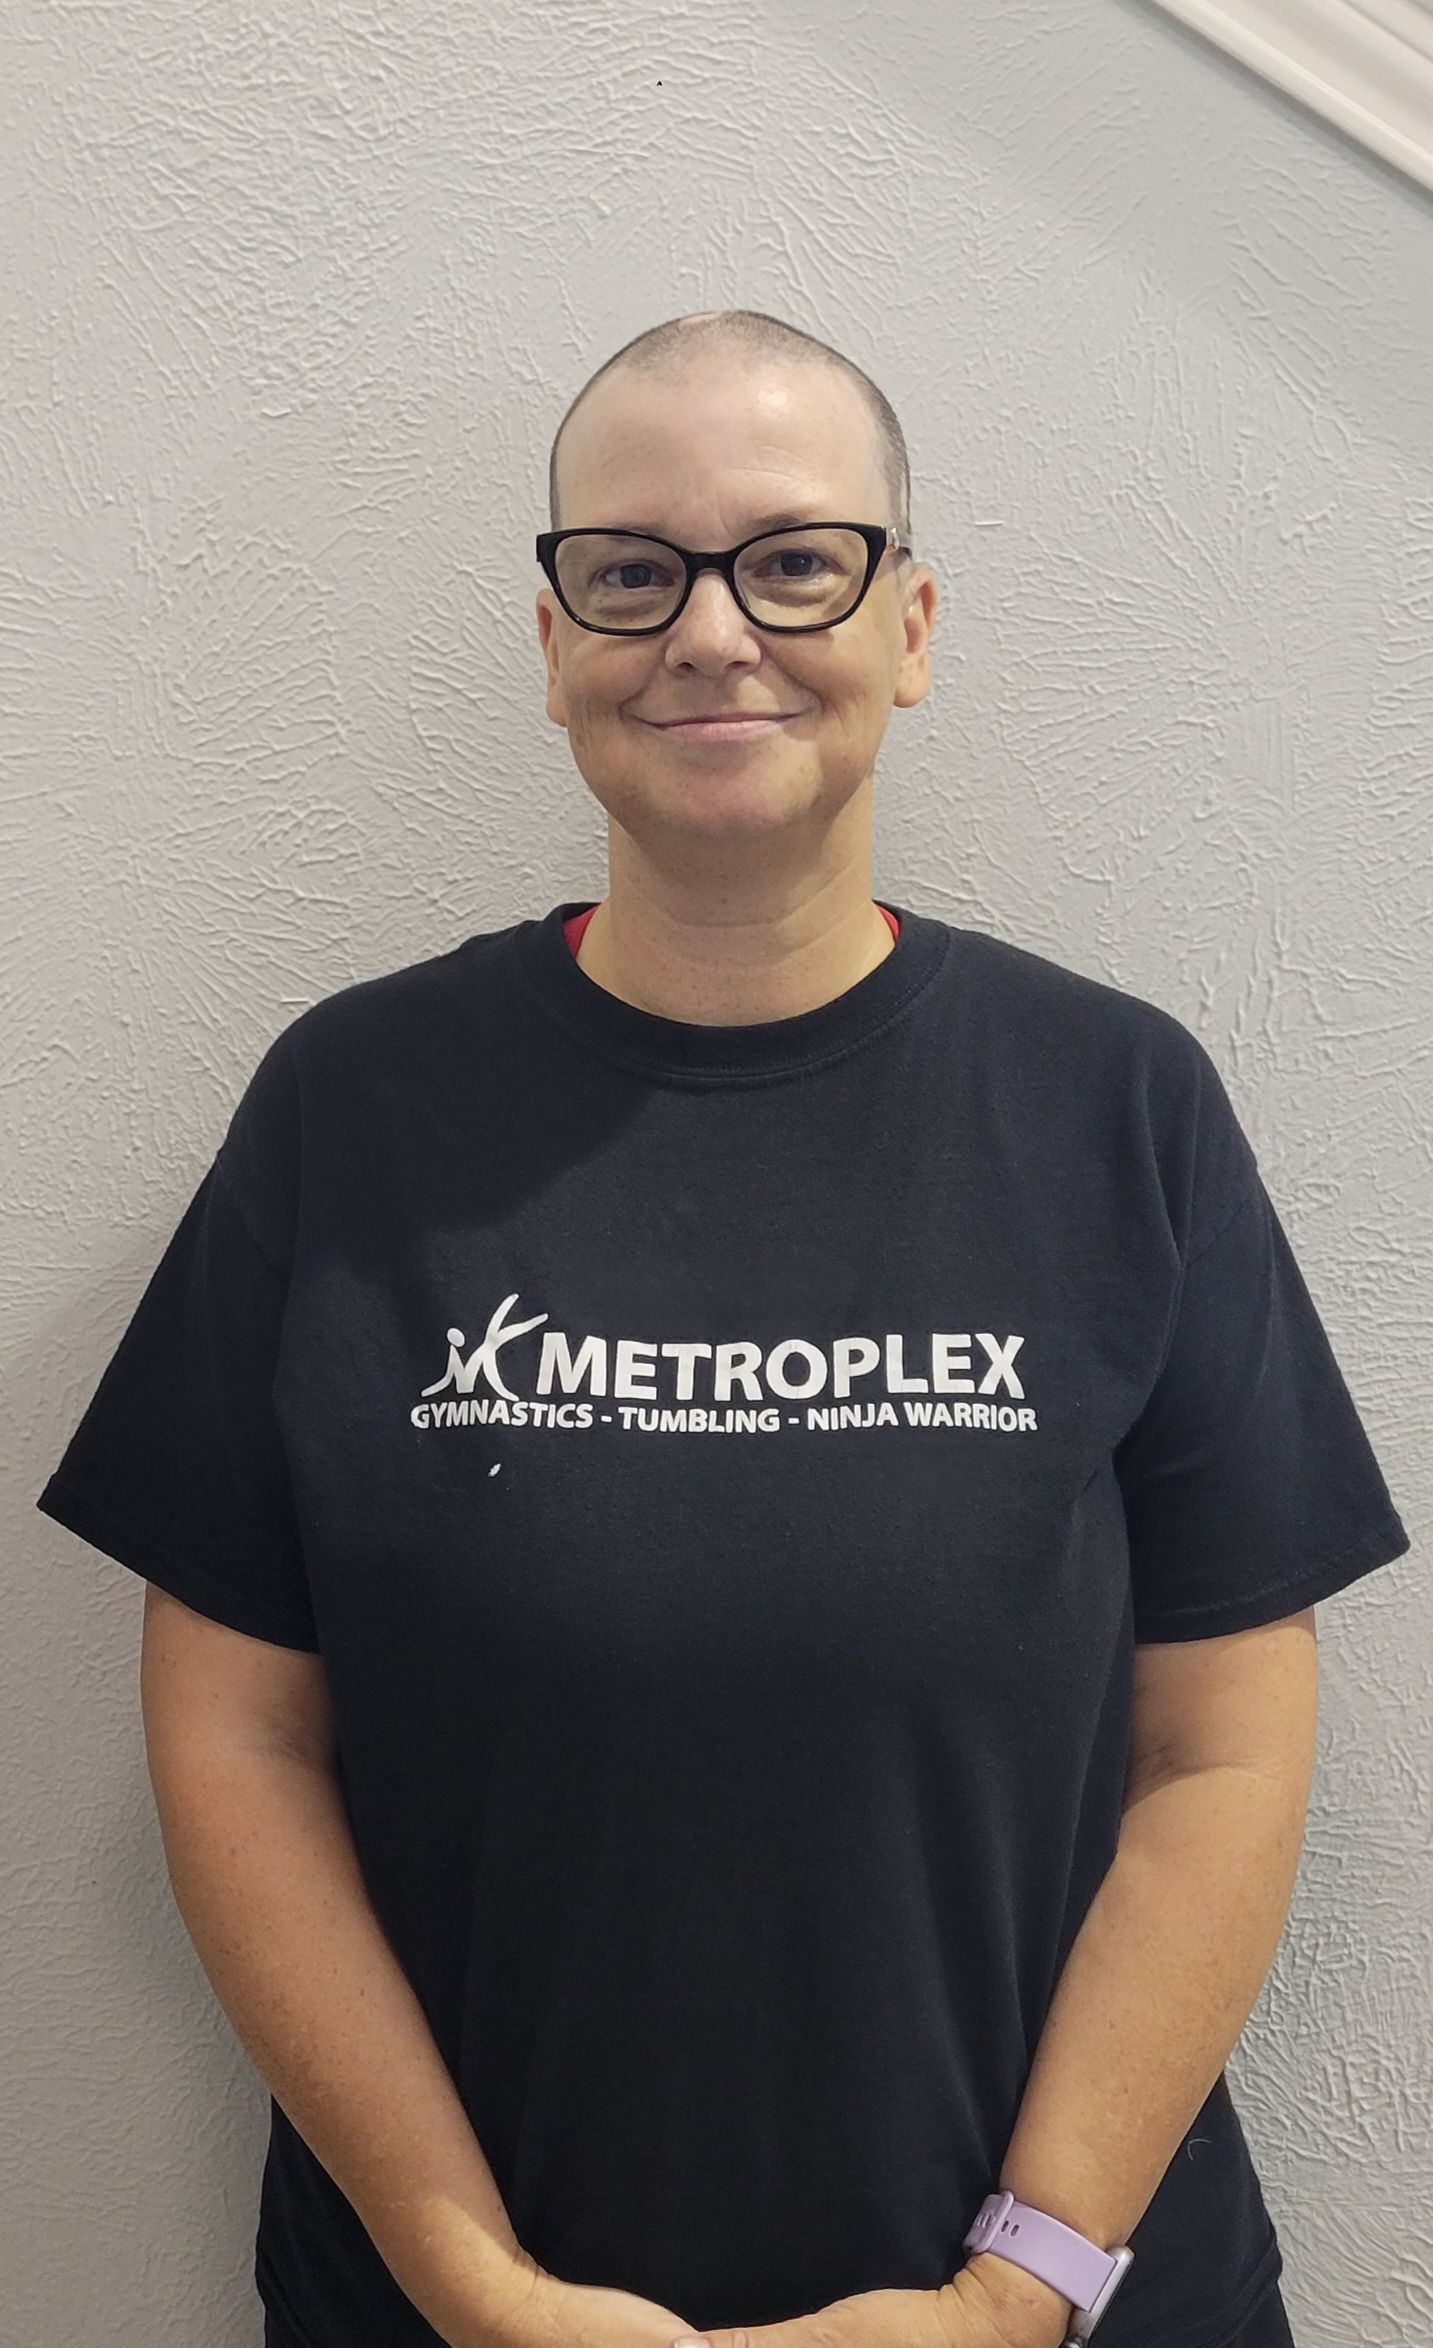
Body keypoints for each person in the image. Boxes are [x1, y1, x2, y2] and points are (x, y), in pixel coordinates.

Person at [35, 308, 1407, 2348]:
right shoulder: (354, 1107)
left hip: (1056, 2306)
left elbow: (1218, 1746)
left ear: (910, 624)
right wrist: (475, 2291)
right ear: (553, 642)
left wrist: (1009, 2296)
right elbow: (239, 1736)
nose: (709, 630)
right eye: (630, 571)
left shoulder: (1115, 1104)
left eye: (792, 560)